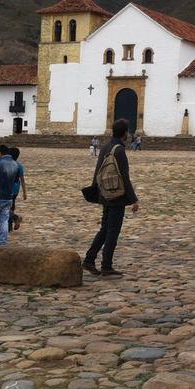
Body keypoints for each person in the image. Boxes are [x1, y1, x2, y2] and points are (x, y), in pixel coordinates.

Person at [84, 118, 139, 277]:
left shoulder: (106, 146)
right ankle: (106, 266)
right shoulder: (119, 150)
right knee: (112, 232)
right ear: (124, 133)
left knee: (104, 229)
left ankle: (89, 259)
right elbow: (124, 177)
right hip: (116, 196)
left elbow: (98, 170)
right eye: (127, 132)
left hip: (105, 194)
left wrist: (96, 190)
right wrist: (134, 199)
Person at [9, 145, 27, 231]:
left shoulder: (7, 164)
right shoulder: (19, 166)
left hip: (8, 188)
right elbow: (22, 180)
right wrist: (24, 192)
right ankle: (9, 225)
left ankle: (15, 218)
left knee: (5, 207)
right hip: (16, 188)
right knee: (11, 205)